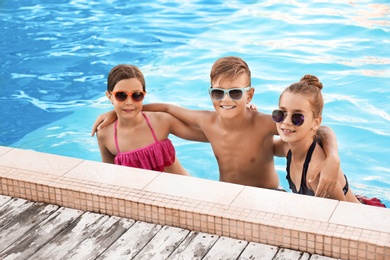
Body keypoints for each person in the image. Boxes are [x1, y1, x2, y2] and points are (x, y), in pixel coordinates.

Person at [92, 57, 340, 196]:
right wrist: (118, 110)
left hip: (268, 195)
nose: (227, 100)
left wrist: (333, 158)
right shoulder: (207, 122)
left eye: (235, 92)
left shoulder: (266, 122)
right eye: (219, 93)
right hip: (224, 195)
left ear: (249, 95)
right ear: (210, 94)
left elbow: (314, 129)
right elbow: (166, 108)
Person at [272, 75, 385, 207]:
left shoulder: (316, 171)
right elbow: (259, 145)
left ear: (316, 122)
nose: (286, 122)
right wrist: (249, 114)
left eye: (297, 117)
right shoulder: (287, 146)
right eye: (281, 113)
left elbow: (343, 215)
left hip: (362, 213)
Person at [95, 64, 208, 176]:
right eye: (121, 95)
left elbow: (207, 135)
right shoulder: (105, 134)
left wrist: (166, 108)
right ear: (109, 96)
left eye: (136, 95)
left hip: (181, 187)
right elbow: (109, 175)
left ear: (144, 95)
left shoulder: (160, 122)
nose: (129, 102)